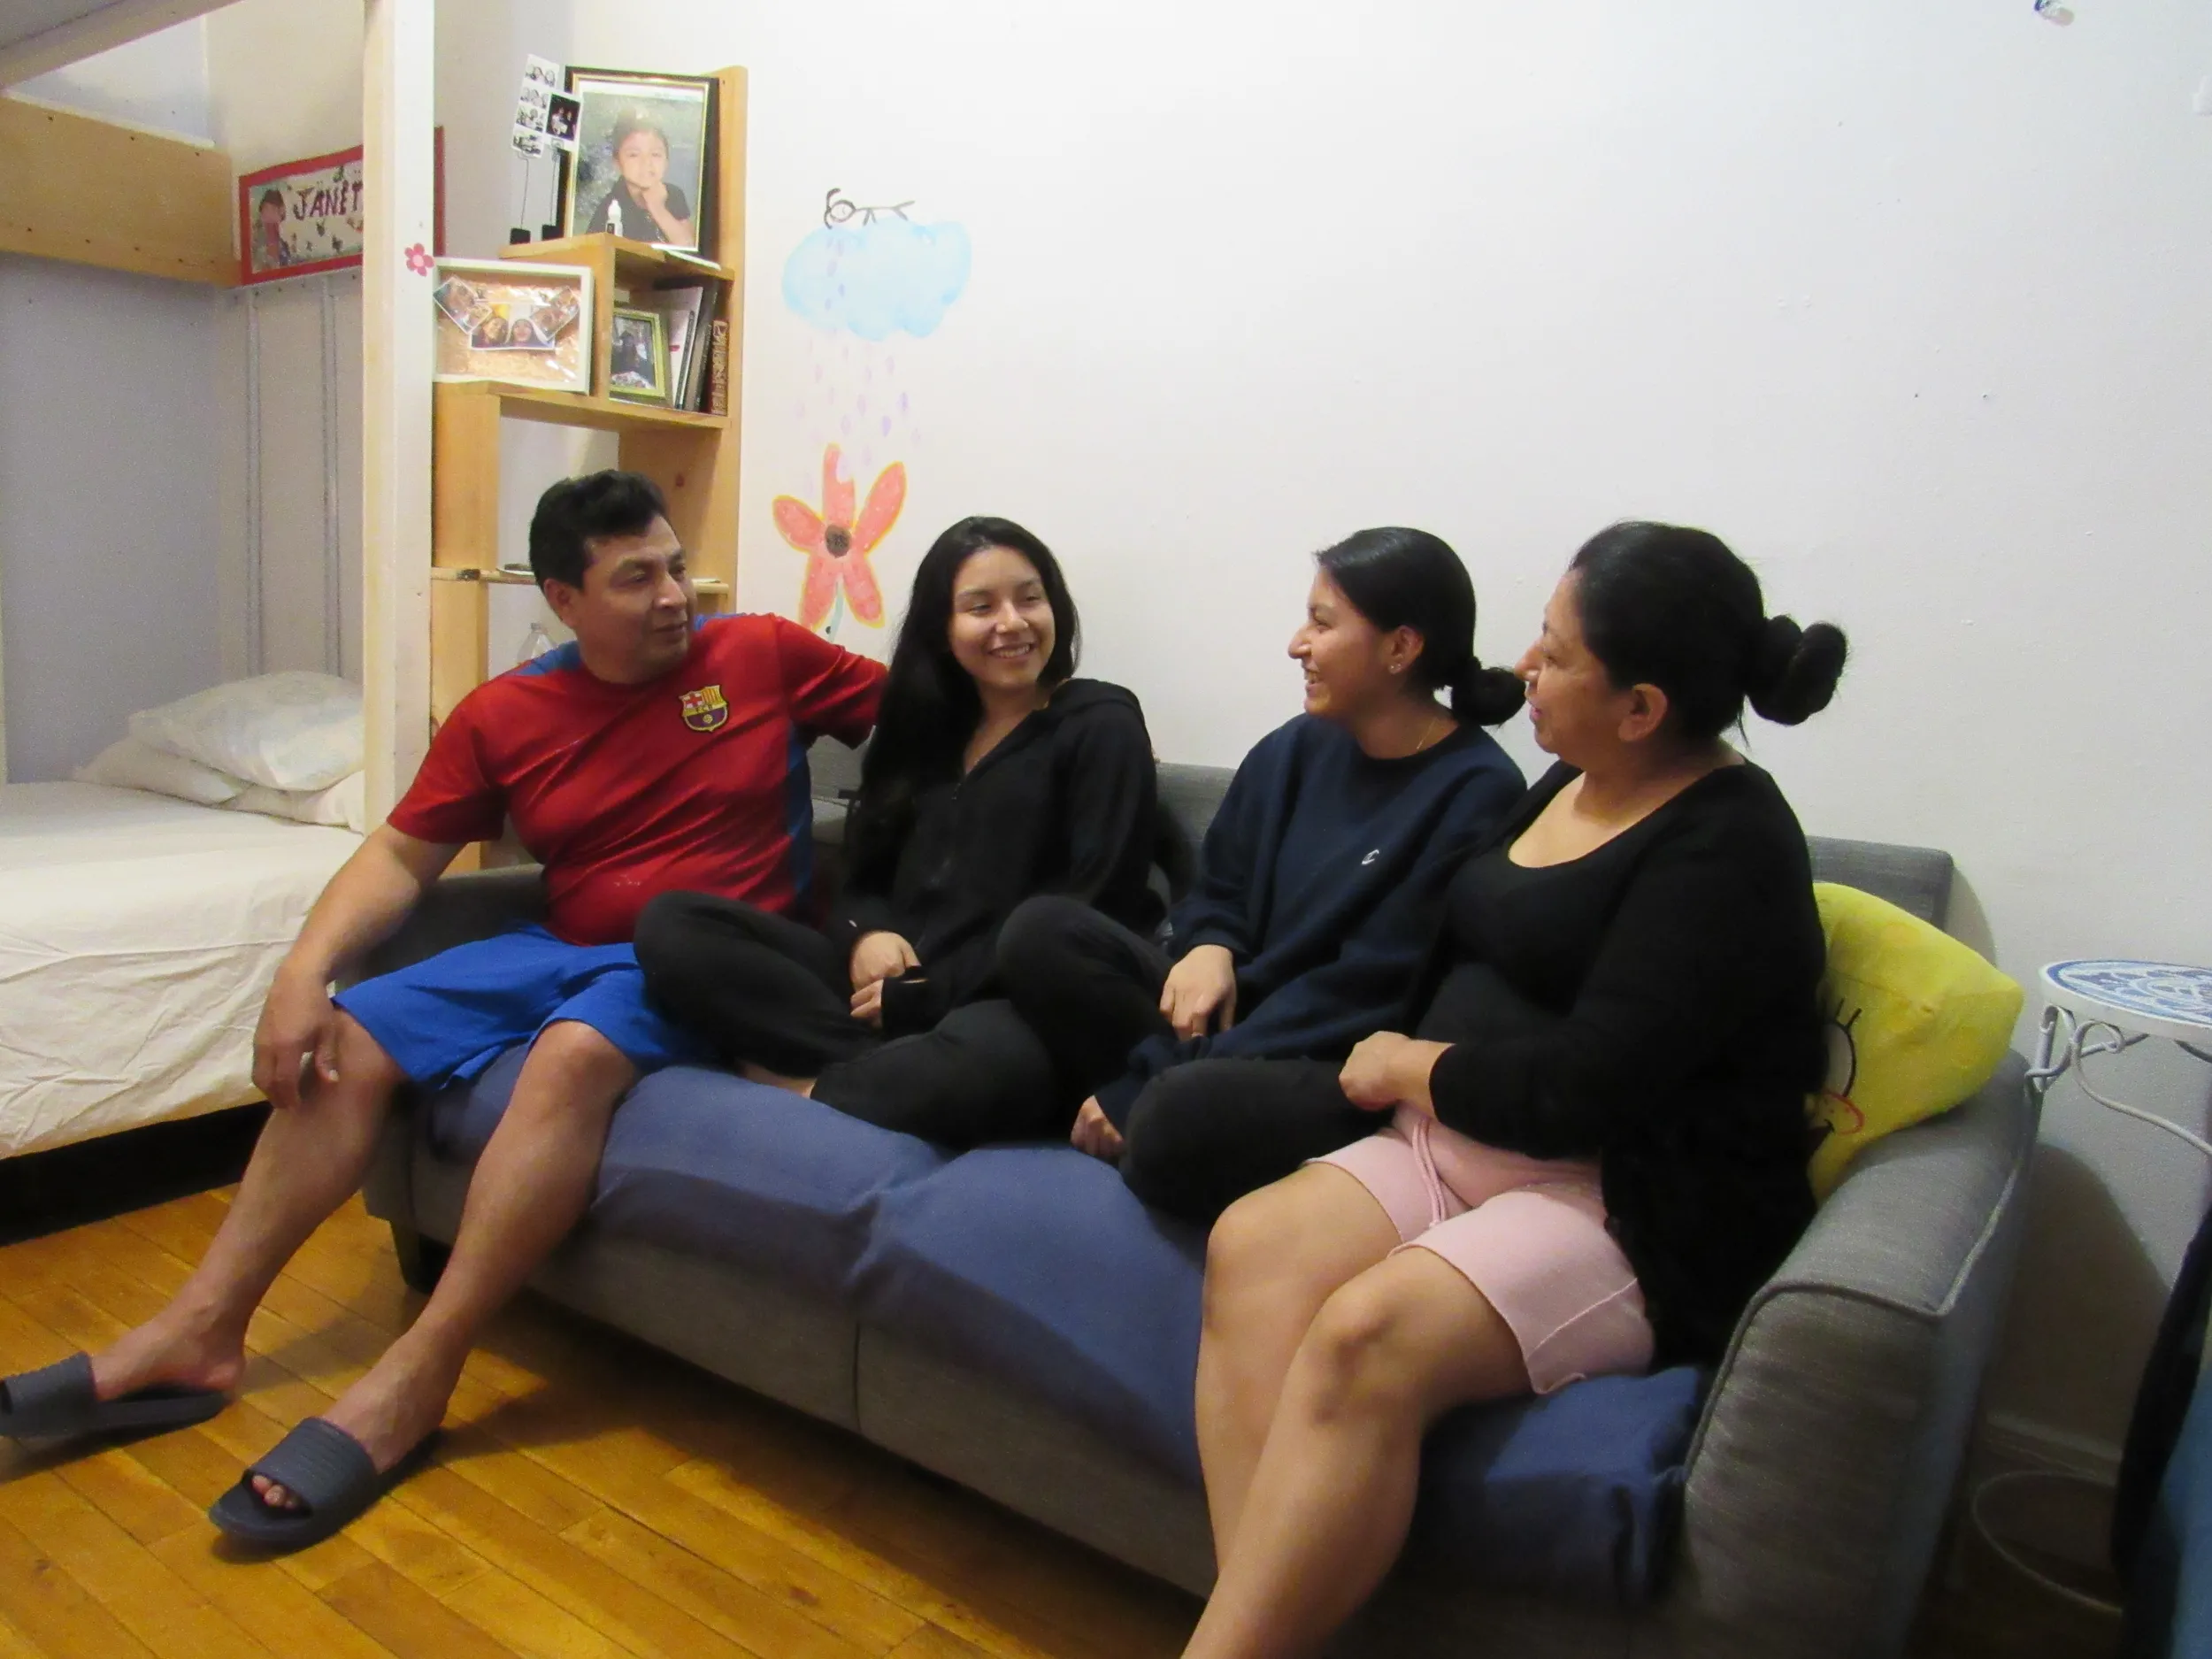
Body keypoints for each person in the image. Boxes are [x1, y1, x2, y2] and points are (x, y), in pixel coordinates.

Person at [0, 471, 884, 1549]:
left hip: (707, 960)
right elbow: (399, 856)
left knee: (571, 1056)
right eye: (634, 578)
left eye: (674, 568)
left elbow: (929, 716)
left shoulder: (757, 654)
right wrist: (299, 975)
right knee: (351, 1036)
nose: (671, 598)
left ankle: (419, 1371)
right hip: (557, 942)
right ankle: (201, 1332)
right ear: (562, 599)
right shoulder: (508, 713)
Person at [1179, 521, 1847, 1658]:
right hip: (1444, 1147)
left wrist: (1406, 1063)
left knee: (1365, 1335)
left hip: (1617, 1201)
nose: (1522, 667)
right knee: (1251, 1245)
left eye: (1554, 650)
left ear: (1640, 707)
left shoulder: (1727, 849)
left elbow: (1592, 1088)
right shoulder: (1569, 777)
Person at [995, 527, 1527, 1222]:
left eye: (1322, 622)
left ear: (1401, 647)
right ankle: (1133, 1101)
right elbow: (1220, 885)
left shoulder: (1478, 791)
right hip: (1230, 1013)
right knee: (1040, 932)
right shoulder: (1298, 744)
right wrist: (1212, 942)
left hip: (1329, 1055)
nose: (1296, 643)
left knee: (1171, 1118)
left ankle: (1138, 1108)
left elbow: (1364, 993)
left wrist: (1157, 1074)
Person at [636, 517, 1161, 1145]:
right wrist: (865, 935)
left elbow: (1094, 906)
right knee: (675, 925)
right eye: (980, 606)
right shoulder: (923, 730)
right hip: (880, 996)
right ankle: (880, 1069)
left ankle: (808, 1086)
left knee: (995, 1064)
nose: (1012, 623)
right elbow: (862, 874)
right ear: (943, 626)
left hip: (1006, 1001)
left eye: (1030, 597)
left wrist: (929, 997)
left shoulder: (1100, 722)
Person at [584, 113, 695, 247]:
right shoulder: (610, 206)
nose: (646, 162)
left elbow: (688, 246)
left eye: (655, 154)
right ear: (617, 163)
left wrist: (658, 208)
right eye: (634, 155)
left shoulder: (674, 194)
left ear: (666, 161)